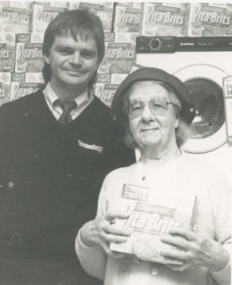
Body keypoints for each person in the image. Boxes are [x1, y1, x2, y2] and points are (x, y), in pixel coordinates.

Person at [0, 9, 134, 285]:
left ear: (98, 62)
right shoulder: (9, 117)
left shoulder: (114, 128)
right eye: (65, 50)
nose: (75, 61)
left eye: (86, 53)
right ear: (47, 55)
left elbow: (120, 207)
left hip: (82, 271)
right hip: (12, 266)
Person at [76, 67, 231, 285]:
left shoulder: (210, 177)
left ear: (177, 118)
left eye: (158, 105)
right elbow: (98, 269)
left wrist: (217, 259)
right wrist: (86, 237)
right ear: (129, 123)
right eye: (136, 108)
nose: (146, 116)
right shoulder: (114, 180)